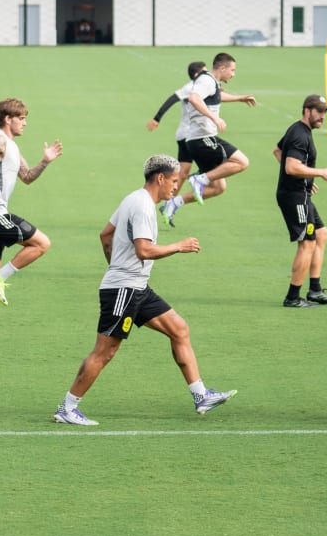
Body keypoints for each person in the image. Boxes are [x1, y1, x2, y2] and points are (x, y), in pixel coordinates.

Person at [53, 154, 237, 426]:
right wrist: (178, 246)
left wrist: (116, 265)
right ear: (160, 178)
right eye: (174, 181)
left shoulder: (132, 198)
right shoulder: (143, 207)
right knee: (105, 351)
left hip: (135, 286)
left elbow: (105, 235)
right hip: (124, 290)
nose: (176, 187)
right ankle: (67, 408)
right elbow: (144, 250)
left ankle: (201, 395)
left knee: (179, 329)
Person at [0, 97, 62, 349]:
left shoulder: (13, 148)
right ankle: (1, 277)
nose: (25, 123)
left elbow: (27, 177)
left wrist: (46, 161)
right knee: (41, 244)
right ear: (8, 119)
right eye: (21, 118)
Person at [153, 53, 256, 226]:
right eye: (233, 70)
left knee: (218, 188)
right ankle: (200, 179)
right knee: (242, 162)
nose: (233, 74)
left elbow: (215, 96)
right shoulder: (206, 80)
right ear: (222, 68)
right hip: (202, 138)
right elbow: (194, 98)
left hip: (197, 140)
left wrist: (240, 98)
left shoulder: (212, 82)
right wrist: (214, 118)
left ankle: (173, 203)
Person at [273, 94, 327, 307]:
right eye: (319, 111)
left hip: (300, 193)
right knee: (307, 243)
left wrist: (306, 177)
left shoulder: (299, 130)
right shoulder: (300, 135)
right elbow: (291, 166)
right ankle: (293, 297)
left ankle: (315, 290)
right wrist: (318, 173)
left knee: (321, 234)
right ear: (307, 110)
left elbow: (278, 151)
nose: (322, 116)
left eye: (324, 112)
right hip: (295, 197)